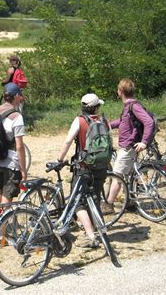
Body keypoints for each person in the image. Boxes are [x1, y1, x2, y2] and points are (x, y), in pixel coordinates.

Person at [56, 93, 110, 248]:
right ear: (97, 107)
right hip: (101, 166)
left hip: (84, 167)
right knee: (95, 198)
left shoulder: (79, 121)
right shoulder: (104, 120)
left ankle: (90, 235)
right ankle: (97, 230)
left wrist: (60, 160)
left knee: (77, 202)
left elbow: (67, 141)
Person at [104, 78, 155, 213]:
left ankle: (108, 205)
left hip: (128, 147)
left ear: (120, 91)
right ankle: (130, 201)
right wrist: (107, 125)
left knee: (117, 176)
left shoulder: (134, 106)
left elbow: (149, 122)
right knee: (129, 175)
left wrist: (144, 142)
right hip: (129, 146)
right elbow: (123, 122)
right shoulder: (129, 106)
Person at [0, 83, 27, 231]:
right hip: (11, 162)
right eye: (20, 95)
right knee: (7, 198)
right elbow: (19, 146)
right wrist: (23, 170)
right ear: (16, 96)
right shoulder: (17, 117)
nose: (21, 98)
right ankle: (1, 234)